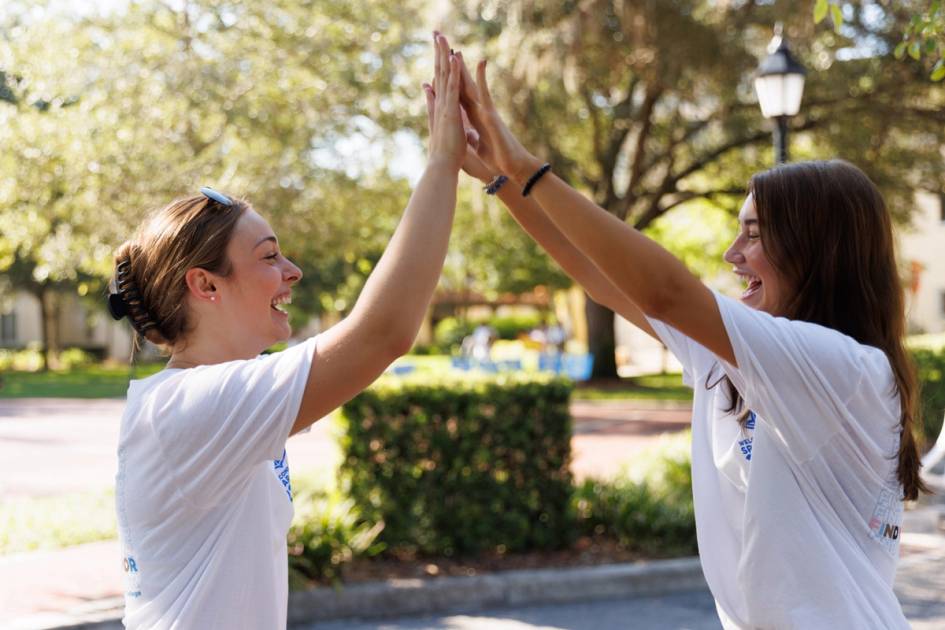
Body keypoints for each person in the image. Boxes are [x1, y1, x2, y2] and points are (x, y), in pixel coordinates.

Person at [429, 52, 927, 629]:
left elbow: (666, 291)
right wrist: (500, 176)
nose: (731, 255)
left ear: (818, 252)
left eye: (753, 234)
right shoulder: (739, 359)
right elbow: (600, 274)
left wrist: (525, 164)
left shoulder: (849, 373)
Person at [108, 33, 465, 629]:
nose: (292, 271)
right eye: (269, 256)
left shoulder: (216, 397)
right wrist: (442, 161)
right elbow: (382, 334)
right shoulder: (190, 408)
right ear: (207, 285)